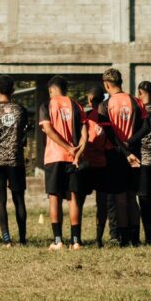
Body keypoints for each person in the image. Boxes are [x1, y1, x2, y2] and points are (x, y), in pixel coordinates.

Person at [39, 76, 87, 251]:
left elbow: (48, 130)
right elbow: (85, 135)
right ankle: (76, 241)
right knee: (74, 197)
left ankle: (58, 240)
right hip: (73, 159)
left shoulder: (47, 105)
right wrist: (77, 152)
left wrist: (67, 148)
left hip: (54, 157)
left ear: (51, 90)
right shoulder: (77, 105)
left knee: (55, 198)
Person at [99, 69, 146, 245]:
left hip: (116, 155)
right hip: (135, 152)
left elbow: (110, 134)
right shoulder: (136, 101)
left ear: (106, 84)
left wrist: (124, 151)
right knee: (132, 196)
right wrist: (130, 143)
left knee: (120, 198)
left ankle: (124, 239)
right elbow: (146, 127)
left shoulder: (105, 105)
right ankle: (136, 238)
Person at [0, 75, 29, 246]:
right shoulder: (20, 110)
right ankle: (22, 239)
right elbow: (24, 133)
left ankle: (6, 238)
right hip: (15, 160)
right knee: (19, 199)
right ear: (13, 90)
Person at [128, 82, 151, 244]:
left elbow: (140, 132)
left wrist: (127, 143)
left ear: (140, 92)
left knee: (143, 199)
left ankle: (147, 235)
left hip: (143, 158)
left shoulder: (141, 111)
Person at [81, 86, 110, 247]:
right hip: (102, 164)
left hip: (86, 164)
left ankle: (77, 237)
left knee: (79, 201)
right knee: (102, 203)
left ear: (90, 99)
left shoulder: (85, 117)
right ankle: (99, 238)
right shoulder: (106, 119)